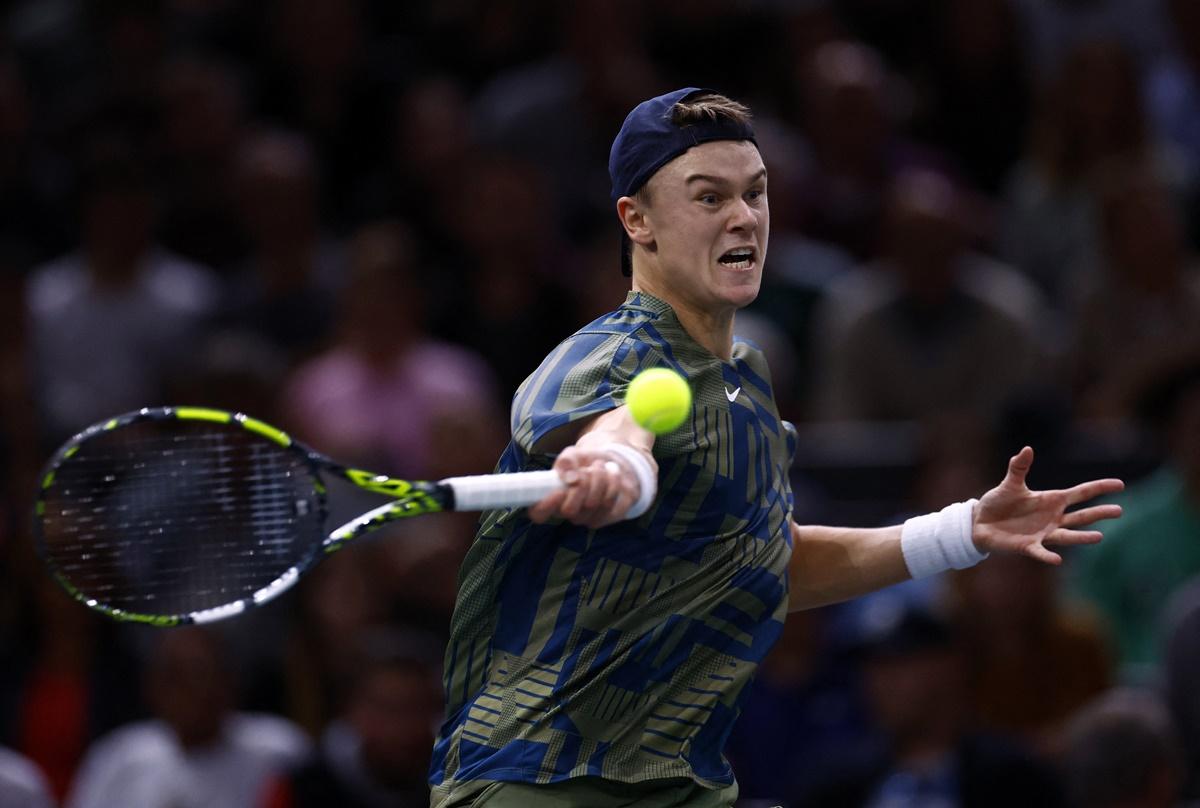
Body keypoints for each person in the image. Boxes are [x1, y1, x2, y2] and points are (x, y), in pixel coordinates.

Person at [428, 88, 1125, 808]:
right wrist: (615, 461)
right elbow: (617, 423)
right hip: (537, 781)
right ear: (637, 221)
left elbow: (769, 566)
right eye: (708, 198)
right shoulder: (607, 353)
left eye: (755, 194)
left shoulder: (747, 384)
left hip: (676, 783)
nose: (743, 217)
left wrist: (959, 532)